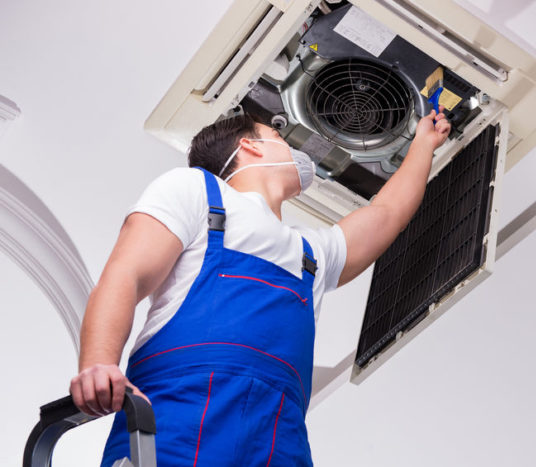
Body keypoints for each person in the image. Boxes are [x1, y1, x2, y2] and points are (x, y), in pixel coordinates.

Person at [70, 108, 450, 466]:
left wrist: (423, 143)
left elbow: (387, 214)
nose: (291, 147)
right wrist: (98, 364)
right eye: (276, 134)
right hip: (178, 417)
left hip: (279, 436)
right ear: (250, 145)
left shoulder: (312, 253)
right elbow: (126, 275)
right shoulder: (196, 191)